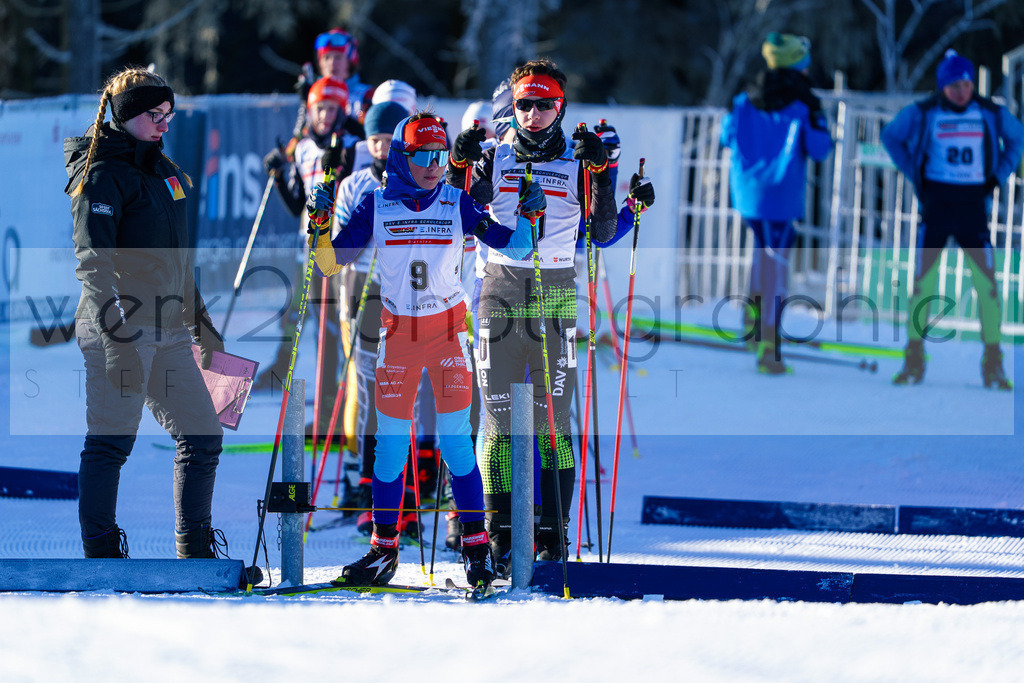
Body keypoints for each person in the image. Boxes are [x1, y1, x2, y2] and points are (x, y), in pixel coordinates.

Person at [305, 112, 541, 589]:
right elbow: (329, 263)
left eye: (440, 156)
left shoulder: (458, 202)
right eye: (423, 157)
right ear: (401, 157)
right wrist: (320, 222)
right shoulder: (376, 204)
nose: (435, 166)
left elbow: (514, 248)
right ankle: (383, 550)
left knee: (456, 442)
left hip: (448, 337)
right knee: (389, 450)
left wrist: (530, 216)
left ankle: (476, 548)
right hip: (399, 341)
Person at [447, 59, 655, 576]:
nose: (534, 114)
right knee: (496, 419)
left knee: (552, 421)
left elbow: (603, 233)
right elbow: (459, 221)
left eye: (545, 104)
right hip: (497, 288)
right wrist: (458, 167)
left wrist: (605, 176)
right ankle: (497, 535)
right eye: (524, 105)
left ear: (561, 106)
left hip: (556, 290)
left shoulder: (581, 160)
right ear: (512, 108)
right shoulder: (492, 157)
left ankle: (551, 532)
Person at [64, 66, 227, 560]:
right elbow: (94, 266)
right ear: (127, 114)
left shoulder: (164, 170)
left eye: (170, 116)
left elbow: (177, 260)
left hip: (169, 327)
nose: (163, 125)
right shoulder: (102, 173)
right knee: (112, 443)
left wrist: (202, 324)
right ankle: (101, 554)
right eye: (155, 115)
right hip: (119, 325)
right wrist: (117, 340)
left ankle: (194, 549)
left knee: (203, 436)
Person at [881, 50, 1022, 390]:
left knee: (987, 287)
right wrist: (916, 176)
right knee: (922, 286)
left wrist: (997, 176)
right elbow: (890, 137)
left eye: (967, 83)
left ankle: (993, 362)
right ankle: (914, 357)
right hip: (938, 206)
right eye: (954, 85)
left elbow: (1017, 138)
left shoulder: (989, 112)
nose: (962, 90)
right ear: (942, 86)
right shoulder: (924, 111)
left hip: (973, 206)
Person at [720, 32, 834, 375]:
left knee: (762, 253)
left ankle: (752, 323)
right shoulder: (806, 102)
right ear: (799, 64)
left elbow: (726, 136)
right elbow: (820, 148)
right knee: (777, 263)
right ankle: (769, 342)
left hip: (747, 192)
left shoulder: (743, 96)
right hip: (781, 194)